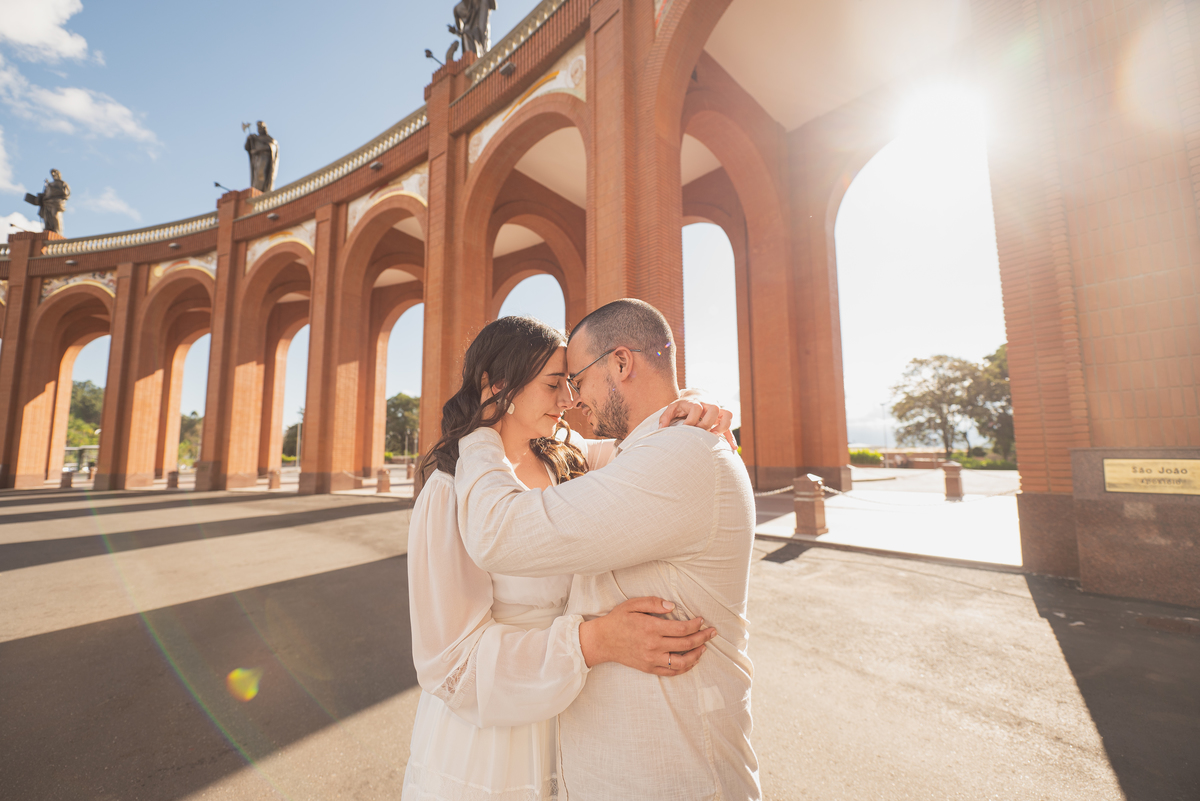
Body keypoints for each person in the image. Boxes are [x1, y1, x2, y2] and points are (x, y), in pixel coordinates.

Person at [402, 315, 729, 800]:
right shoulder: (449, 491)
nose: (569, 401)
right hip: (490, 740)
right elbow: (447, 665)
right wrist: (591, 642)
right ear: (499, 387)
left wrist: (692, 404)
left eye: (571, 384)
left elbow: (645, 444)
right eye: (555, 384)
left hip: (574, 723)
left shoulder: (566, 457)